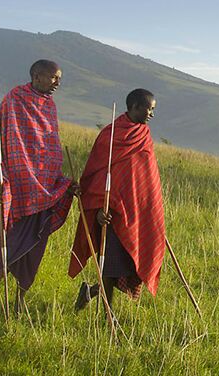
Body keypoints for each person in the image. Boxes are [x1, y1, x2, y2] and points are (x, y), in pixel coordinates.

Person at [0, 59, 76, 320]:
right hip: (17, 192)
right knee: (4, 250)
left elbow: (50, 149)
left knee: (33, 252)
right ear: (36, 75)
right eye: (53, 77)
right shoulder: (13, 100)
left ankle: (20, 301)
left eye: (59, 78)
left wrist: (62, 184)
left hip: (44, 194)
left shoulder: (50, 107)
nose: (58, 83)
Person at [69, 88, 166, 309]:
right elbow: (97, 174)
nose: (151, 114)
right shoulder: (111, 135)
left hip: (135, 212)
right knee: (110, 265)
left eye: (153, 110)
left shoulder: (144, 135)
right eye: (148, 109)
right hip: (110, 213)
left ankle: (90, 292)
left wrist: (149, 209)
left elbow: (145, 177)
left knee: (128, 264)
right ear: (133, 107)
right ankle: (107, 314)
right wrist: (101, 207)